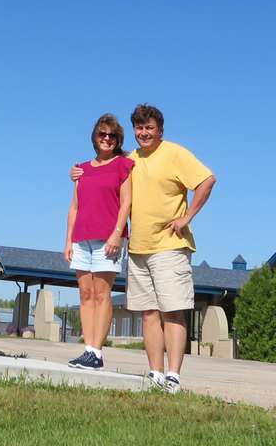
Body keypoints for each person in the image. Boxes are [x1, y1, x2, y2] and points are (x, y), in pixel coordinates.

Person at [71, 104, 216, 393]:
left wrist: (186, 218)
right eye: (139, 127)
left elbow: (207, 180)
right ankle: (155, 374)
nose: (144, 132)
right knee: (149, 312)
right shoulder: (131, 159)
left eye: (149, 127)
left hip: (170, 247)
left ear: (160, 130)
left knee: (172, 311)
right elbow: (105, 162)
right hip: (138, 248)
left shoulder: (174, 153)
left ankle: (173, 376)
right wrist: (78, 171)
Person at [64, 114, 133, 370]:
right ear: (95, 137)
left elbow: (126, 202)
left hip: (109, 239)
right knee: (86, 294)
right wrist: (68, 241)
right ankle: (87, 349)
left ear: (118, 140)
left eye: (112, 135)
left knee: (102, 294)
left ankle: (97, 351)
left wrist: (117, 233)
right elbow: (74, 207)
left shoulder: (123, 165)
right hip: (82, 238)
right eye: (102, 134)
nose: (107, 139)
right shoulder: (82, 169)